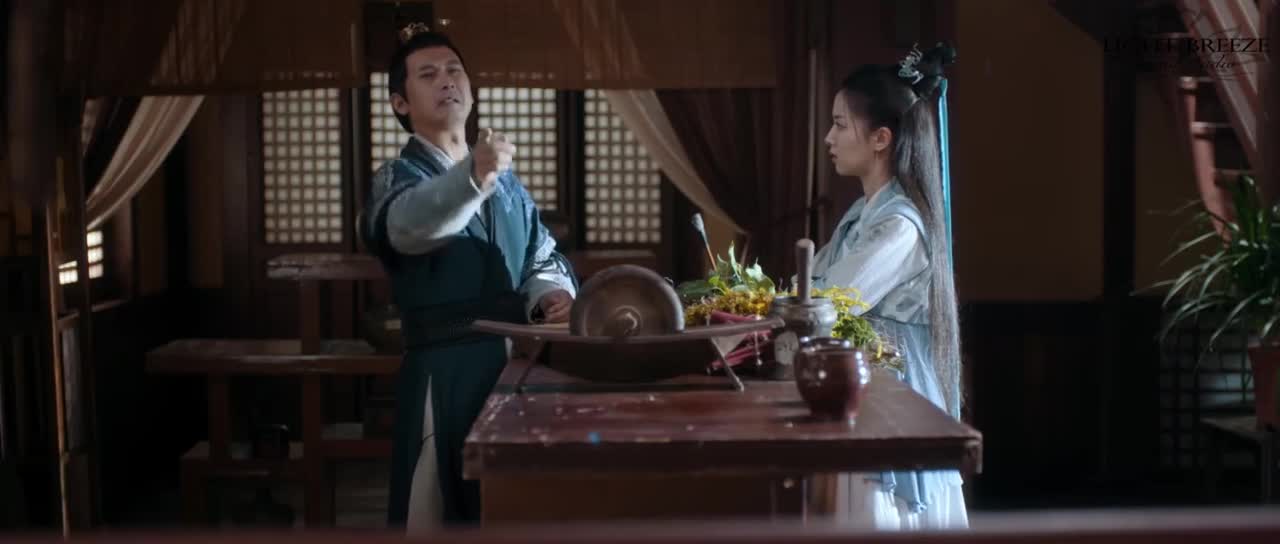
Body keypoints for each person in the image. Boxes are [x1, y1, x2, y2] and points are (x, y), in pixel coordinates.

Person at [361, 23, 578, 528]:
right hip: (445, 366)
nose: (447, 80)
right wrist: (472, 179)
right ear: (400, 102)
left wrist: (551, 296)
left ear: (471, 89)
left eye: (454, 70)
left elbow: (541, 255)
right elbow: (407, 227)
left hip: (514, 367)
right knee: (437, 504)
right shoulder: (398, 179)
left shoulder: (508, 185)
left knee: (508, 505)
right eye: (428, 74)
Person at [808, 43, 966, 529]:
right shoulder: (863, 213)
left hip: (894, 392)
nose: (830, 137)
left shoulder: (900, 225)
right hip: (862, 386)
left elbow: (829, 302)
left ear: (880, 138)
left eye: (840, 124)